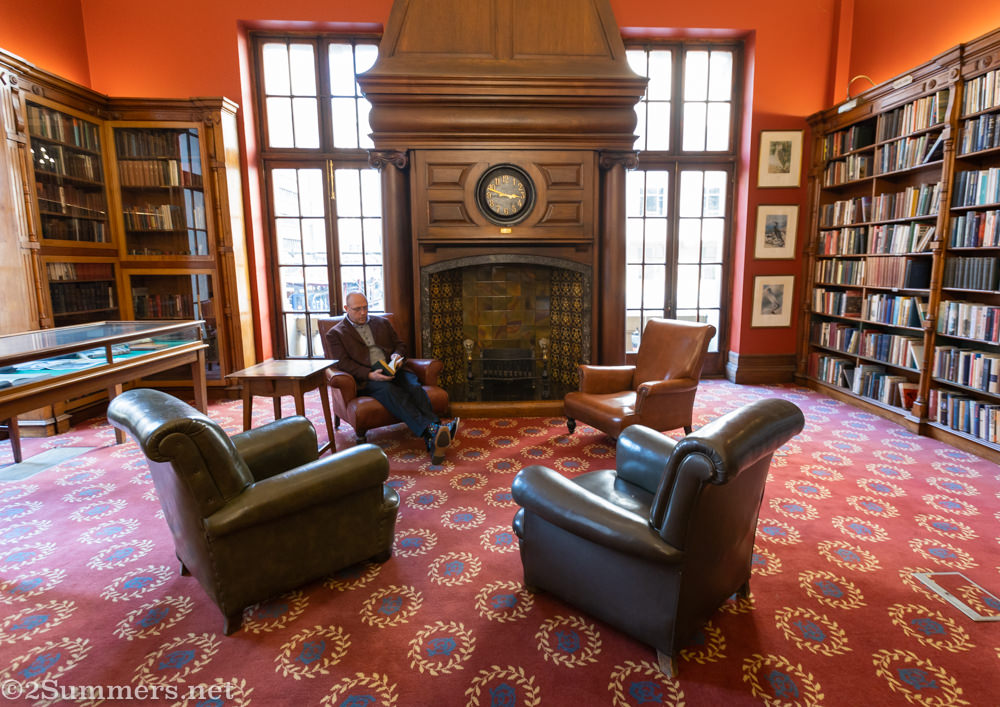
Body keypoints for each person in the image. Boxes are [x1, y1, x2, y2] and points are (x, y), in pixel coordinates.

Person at [325, 291, 458, 464]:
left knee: (414, 386)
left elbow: (400, 345)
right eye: (357, 309)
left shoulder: (382, 323)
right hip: (369, 378)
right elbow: (342, 363)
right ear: (346, 308)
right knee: (390, 391)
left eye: (365, 307)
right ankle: (434, 430)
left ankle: (433, 436)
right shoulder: (336, 334)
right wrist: (370, 374)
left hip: (394, 369)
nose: (363, 312)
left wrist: (396, 355)